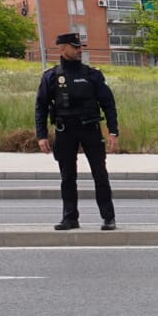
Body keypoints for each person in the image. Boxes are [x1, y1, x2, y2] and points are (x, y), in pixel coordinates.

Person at [35, 31, 119, 231]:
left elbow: (108, 104)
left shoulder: (92, 75)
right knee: (67, 177)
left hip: (90, 128)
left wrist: (113, 132)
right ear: (62, 48)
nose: (79, 50)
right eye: (75, 47)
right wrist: (41, 135)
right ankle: (70, 218)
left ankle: (108, 217)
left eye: (80, 47)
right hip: (65, 130)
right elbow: (41, 106)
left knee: (100, 174)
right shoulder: (51, 76)